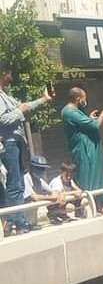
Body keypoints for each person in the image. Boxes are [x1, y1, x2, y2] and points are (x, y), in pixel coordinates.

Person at [0, 63, 52, 232]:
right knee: (14, 183)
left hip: (16, 142)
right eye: (9, 74)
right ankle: (15, 222)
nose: (11, 77)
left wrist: (43, 99)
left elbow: (25, 106)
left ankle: (19, 220)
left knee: (20, 182)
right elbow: (3, 120)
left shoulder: (5, 95)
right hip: (9, 143)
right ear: (3, 73)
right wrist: (19, 112)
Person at [61, 88, 103, 211]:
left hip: (90, 147)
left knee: (96, 175)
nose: (85, 101)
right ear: (78, 98)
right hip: (83, 149)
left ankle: (100, 204)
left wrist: (90, 118)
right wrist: (101, 117)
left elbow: (84, 124)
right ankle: (88, 207)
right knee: (87, 175)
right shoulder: (70, 111)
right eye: (84, 98)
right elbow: (94, 126)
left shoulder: (76, 111)